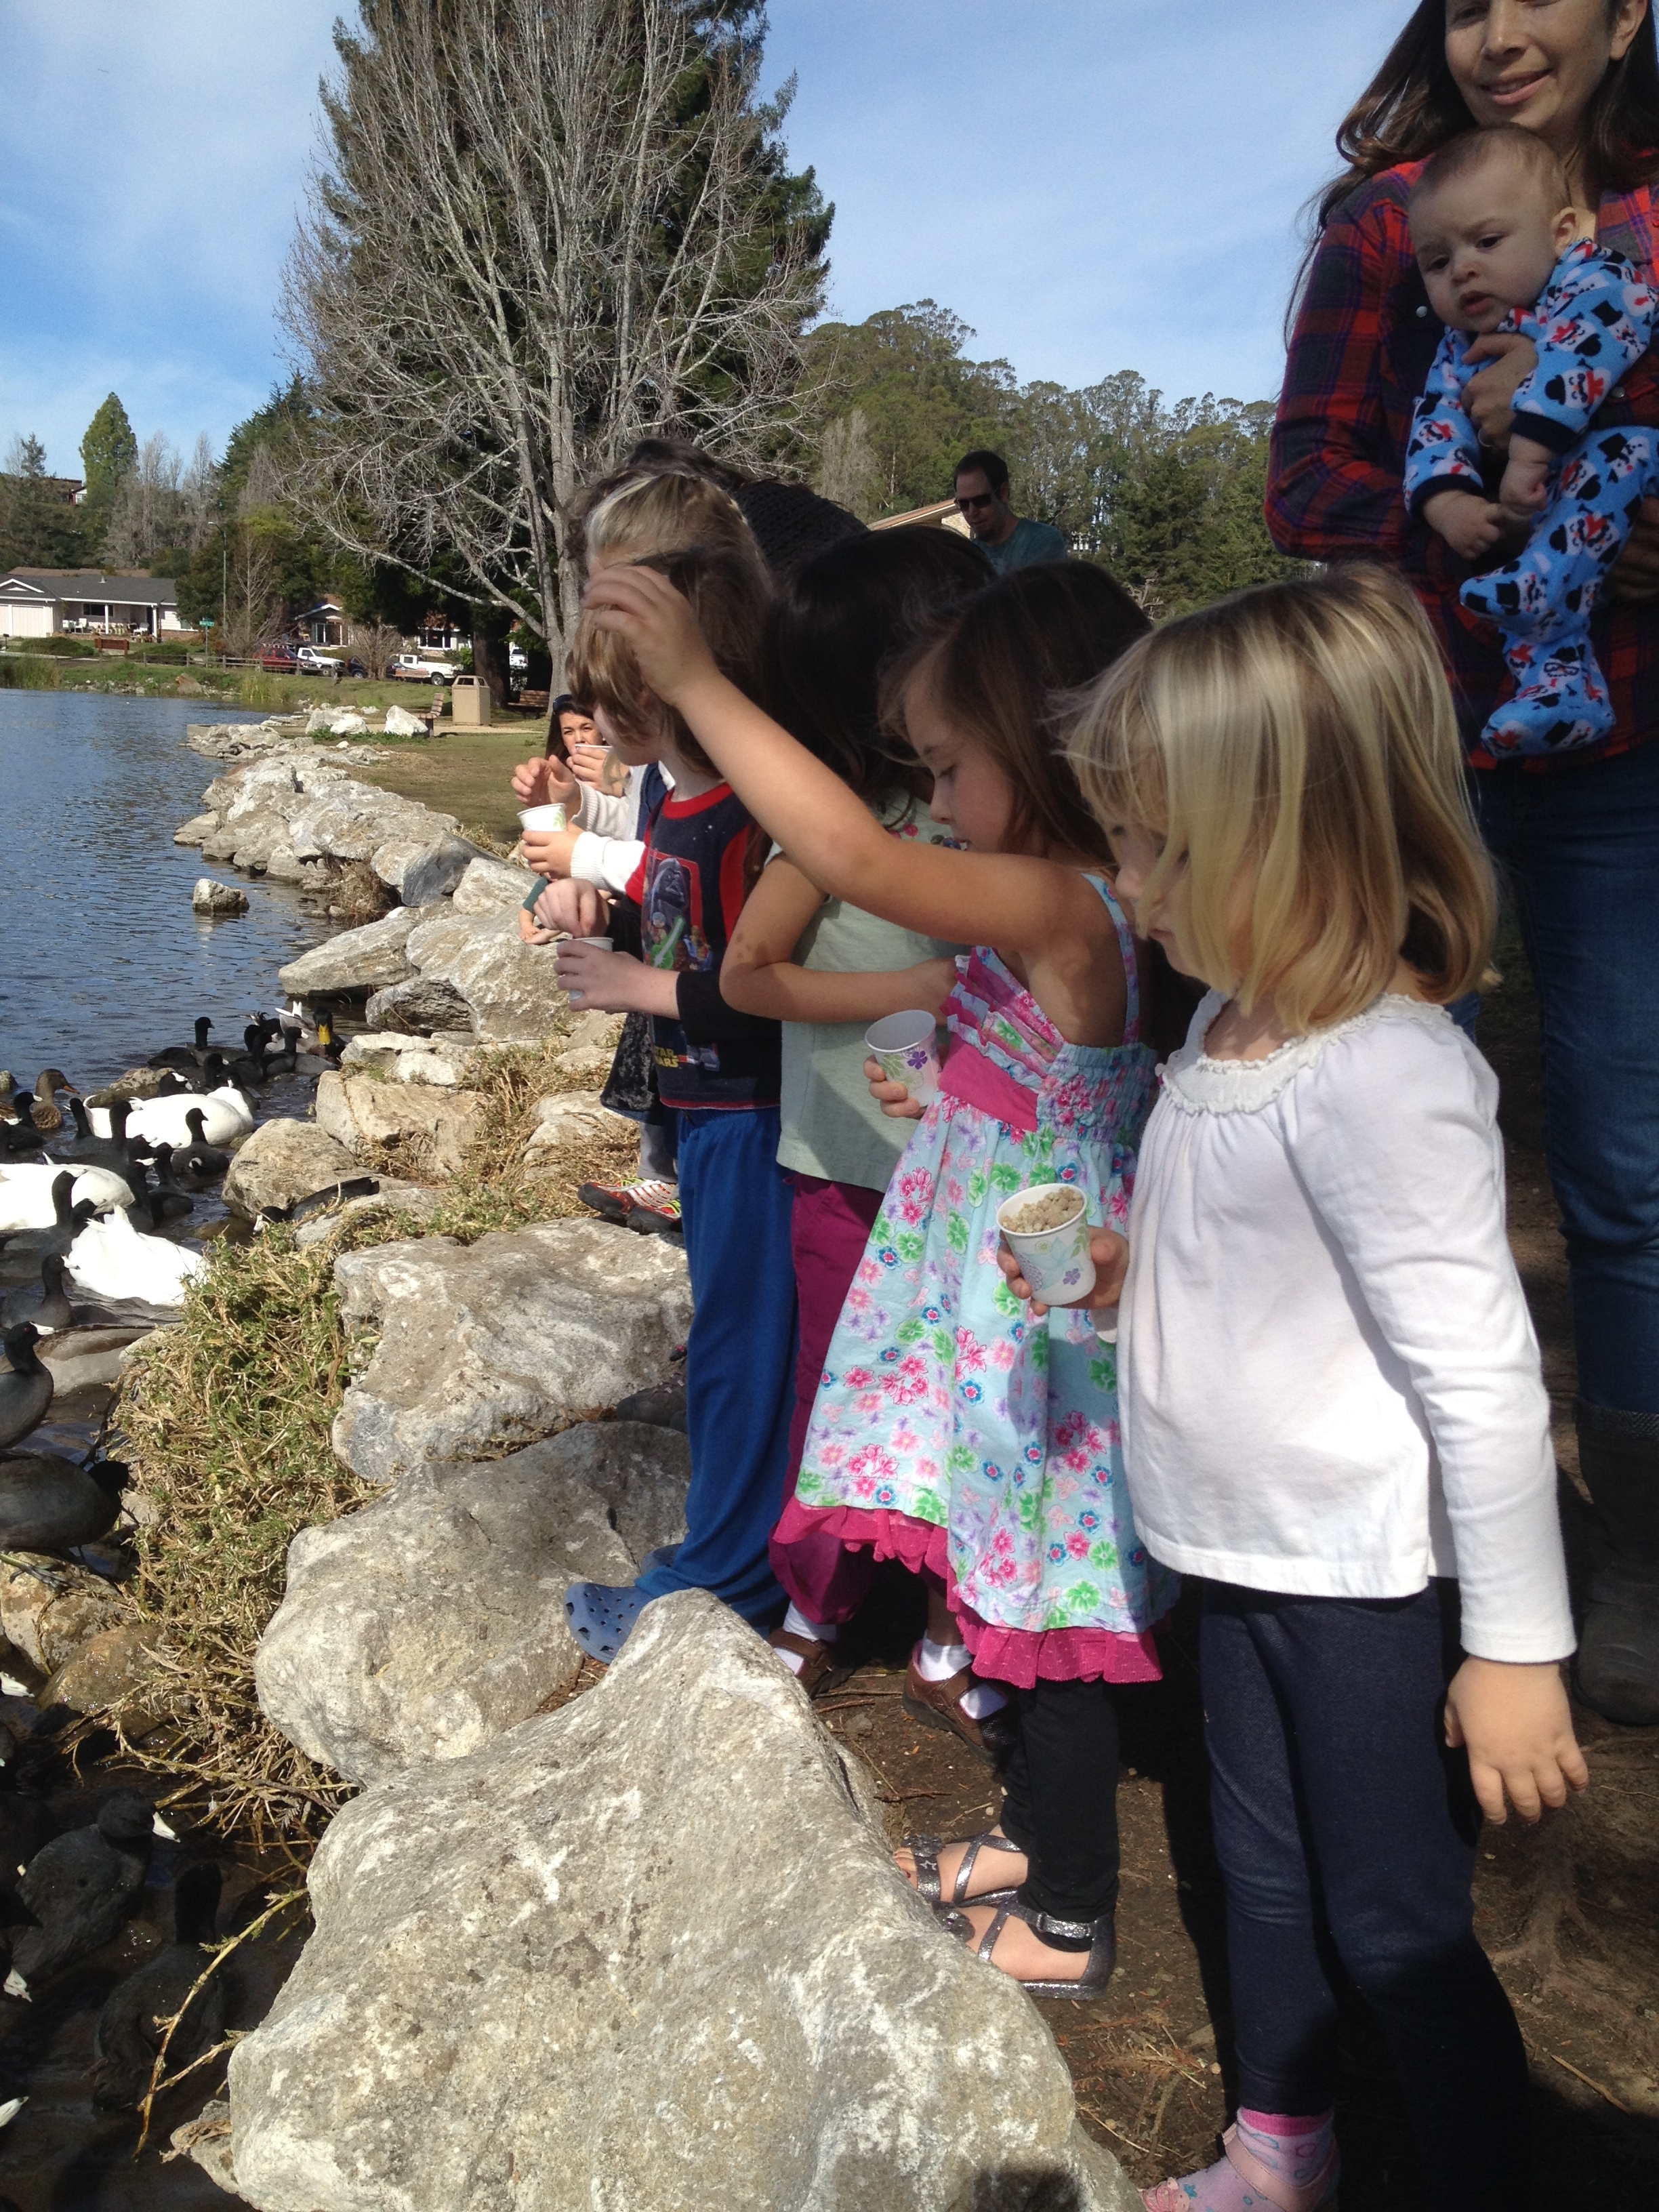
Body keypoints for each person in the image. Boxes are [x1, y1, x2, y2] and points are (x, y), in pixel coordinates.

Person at [1036, 568, 1586, 2212]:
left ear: (1290, 844)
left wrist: (1514, 1647)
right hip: (1234, 1552)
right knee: (1257, 1870)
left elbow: (1480, 1379)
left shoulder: (1384, 1073)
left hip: (1362, 1585)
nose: (1122, 884)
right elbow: (1245, 1261)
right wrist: (1130, 1278)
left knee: (1394, 1921)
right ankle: (1281, 2143)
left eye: (1152, 848)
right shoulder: (1225, 1025)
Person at [585, 553, 1173, 1999]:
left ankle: (1072, 1917)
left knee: (1048, 1600)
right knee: (998, 1574)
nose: (939, 800)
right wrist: (953, 1088)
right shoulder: (1044, 917)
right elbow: (1026, 1073)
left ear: (1041, 749)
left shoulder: (1069, 903)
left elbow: (849, 856)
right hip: (1000, 1301)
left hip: (1040, 1326)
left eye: (953, 766)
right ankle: (1032, 1842)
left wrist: (698, 680)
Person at [1267, 0, 1659, 1727]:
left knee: (1623, 1163)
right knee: (1369, 1126)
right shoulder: (1386, 220)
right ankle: (1399, 1516)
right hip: (1421, 746)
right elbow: (1304, 479)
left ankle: (1633, 1552)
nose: (1499, 31)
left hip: (1624, 746)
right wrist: (1461, 519)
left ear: (1624, 10)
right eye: (1467, 0)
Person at [718, 526, 995, 1741]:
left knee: (972, 1390)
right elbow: (748, 972)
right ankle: (818, 1602)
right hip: (846, 1165)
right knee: (840, 1386)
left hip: (977, 1171)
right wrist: (921, 990)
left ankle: (953, 1620)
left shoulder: (995, 813)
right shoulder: (841, 824)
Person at [549, 539, 792, 1656]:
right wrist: (600, 904)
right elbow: (669, 896)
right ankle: (731, 1546)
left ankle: (725, 1577)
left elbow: (756, 979)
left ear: (654, 688)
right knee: (724, 1331)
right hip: (704, 1115)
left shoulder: (751, 808)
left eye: (606, 696)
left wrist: (642, 984)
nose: (594, 722)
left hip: (751, 1117)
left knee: (743, 1344)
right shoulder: (682, 797)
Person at [1406, 125, 1659, 750]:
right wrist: (1450, 504)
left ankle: (1545, 585)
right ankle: (1561, 694)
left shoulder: (1595, 277)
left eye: (1488, 242)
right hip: (1556, 515)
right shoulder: (1457, 348)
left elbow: (1586, 353)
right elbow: (1435, 423)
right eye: (1437, 263)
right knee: (1530, 590)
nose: (1463, 269)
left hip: (1637, 469)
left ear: (1561, 233)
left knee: (1618, 450)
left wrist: (1527, 453)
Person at [951, 449, 1067, 573]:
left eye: (981, 501)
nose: (971, 512)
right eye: (963, 504)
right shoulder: (969, 555)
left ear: (1004, 493)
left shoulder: (1043, 542)